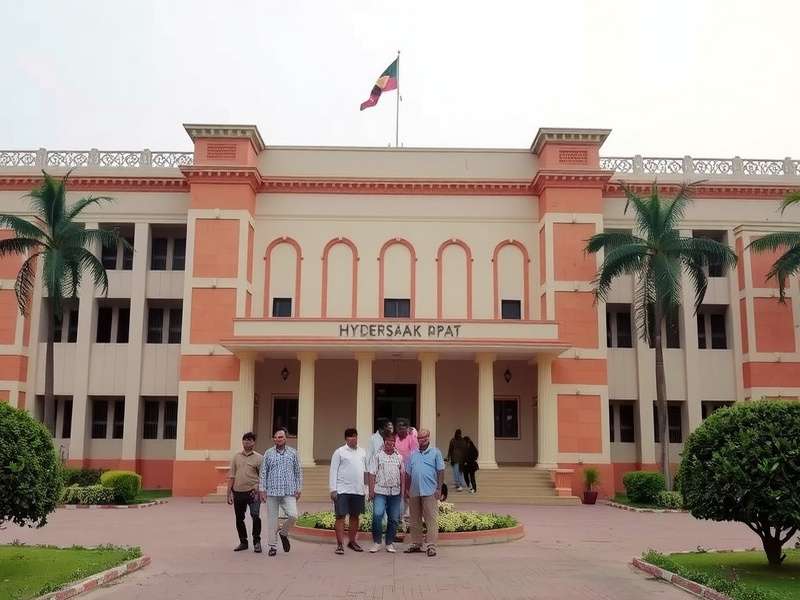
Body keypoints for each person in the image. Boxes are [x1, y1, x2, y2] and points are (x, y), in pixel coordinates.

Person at [258, 427, 302, 557]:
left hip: (289, 491)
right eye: (276, 437)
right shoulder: (268, 453)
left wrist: (299, 488)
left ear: (286, 438)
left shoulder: (293, 453)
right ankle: (273, 546)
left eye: (281, 437)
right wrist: (262, 489)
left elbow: (298, 471)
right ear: (274, 439)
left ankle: (283, 532)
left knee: (293, 515)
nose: (278, 439)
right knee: (272, 520)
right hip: (272, 491)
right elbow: (263, 472)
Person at [404, 428, 445, 557]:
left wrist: (439, 489)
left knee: (430, 519)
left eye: (424, 437)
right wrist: (407, 489)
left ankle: (431, 546)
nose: (422, 440)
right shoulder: (413, 454)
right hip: (414, 491)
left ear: (428, 438)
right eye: (419, 438)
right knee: (414, 519)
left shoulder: (435, 452)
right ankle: (416, 543)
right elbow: (408, 474)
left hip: (430, 491)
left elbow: (440, 471)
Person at [329, 427, 368, 555]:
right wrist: (333, 489)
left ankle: (352, 542)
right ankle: (340, 544)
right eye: (350, 436)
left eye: (355, 436)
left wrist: (366, 489)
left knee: (355, 516)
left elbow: (366, 472)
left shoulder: (362, 452)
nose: (353, 438)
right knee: (340, 516)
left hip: (358, 490)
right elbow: (333, 470)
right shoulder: (339, 452)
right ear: (346, 439)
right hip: (342, 490)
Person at [367, 431, 404, 553]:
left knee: (394, 519)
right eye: (388, 441)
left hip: (395, 493)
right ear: (384, 442)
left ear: (395, 443)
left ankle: (389, 543)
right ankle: (377, 542)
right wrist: (371, 491)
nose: (390, 443)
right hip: (380, 491)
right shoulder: (377, 456)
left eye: (392, 441)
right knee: (377, 515)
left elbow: (402, 475)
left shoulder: (399, 457)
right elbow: (372, 474)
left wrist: (402, 491)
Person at [227, 432, 263, 553]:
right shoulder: (236, 457)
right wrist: (228, 493)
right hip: (238, 492)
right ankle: (243, 542)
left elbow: (263, 476)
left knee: (255, 516)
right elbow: (231, 476)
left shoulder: (259, 458)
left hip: (253, 492)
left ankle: (257, 542)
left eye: (249, 440)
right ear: (242, 442)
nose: (247, 442)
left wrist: (259, 488)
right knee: (239, 518)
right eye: (245, 439)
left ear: (254, 442)